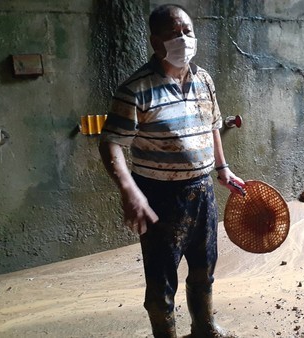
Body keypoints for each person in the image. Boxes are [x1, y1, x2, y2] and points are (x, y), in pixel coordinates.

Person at [98, 4, 245, 338]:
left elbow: (212, 127)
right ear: (155, 41)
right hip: (159, 197)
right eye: (173, 33)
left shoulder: (204, 79)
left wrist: (222, 169)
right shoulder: (135, 89)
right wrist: (130, 191)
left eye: (187, 32)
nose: (183, 39)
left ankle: (204, 328)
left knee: (204, 267)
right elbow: (111, 143)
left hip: (201, 191)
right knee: (163, 280)